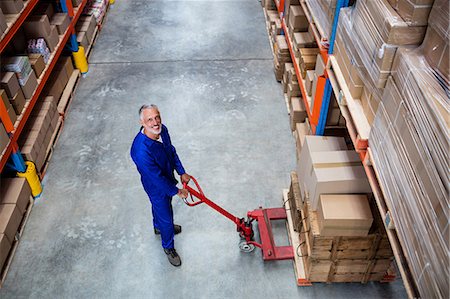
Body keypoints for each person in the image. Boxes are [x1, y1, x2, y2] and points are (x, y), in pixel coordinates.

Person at [130, 104, 190, 267]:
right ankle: (168, 246)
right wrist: (177, 191)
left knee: (160, 211)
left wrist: (181, 171)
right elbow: (156, 178)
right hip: (156, 186)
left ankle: (159, 227)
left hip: (167, 176)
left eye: (157, 117)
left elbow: (170, 151)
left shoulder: (162, 130)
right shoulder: (141, 151)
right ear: (142, 122)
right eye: (150, 119)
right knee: (165, 213)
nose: (155, 122)